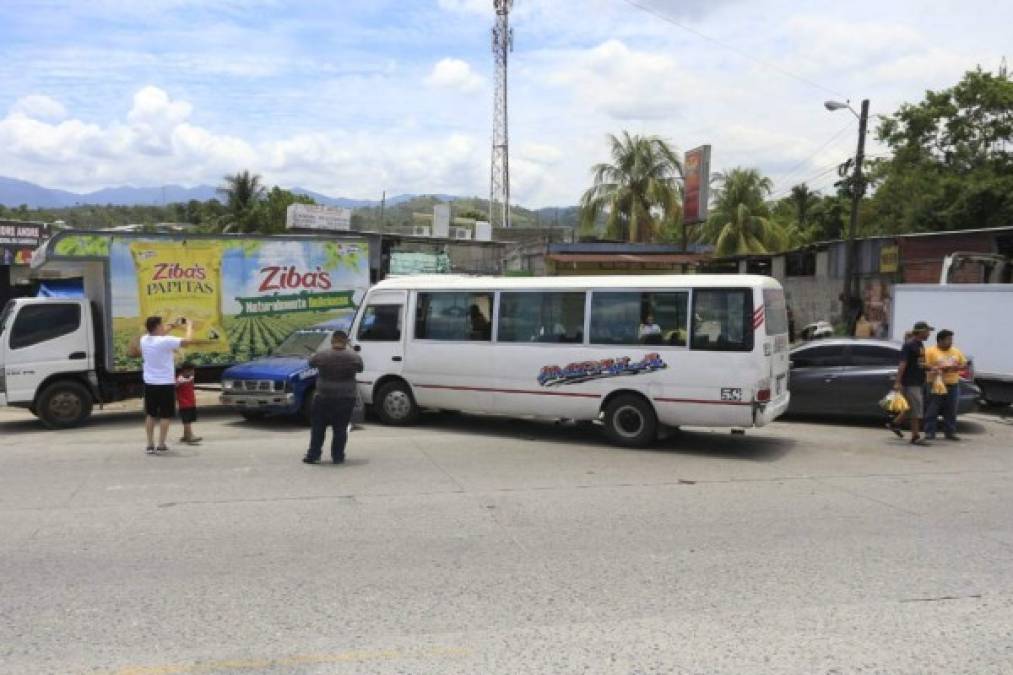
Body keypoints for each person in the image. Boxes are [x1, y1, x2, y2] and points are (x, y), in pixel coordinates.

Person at [127, 316, 204, 455]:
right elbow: (187, 341)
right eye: (161, 325)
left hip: (150, 383)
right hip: (165, 384)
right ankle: (161, 444)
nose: (163, 327)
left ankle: (150, 445)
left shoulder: (145, 339)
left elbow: (159, 333)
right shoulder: (166, 341)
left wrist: (172, 325)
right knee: (165, 415)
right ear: (157, 327)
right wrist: (189, 326)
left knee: (150, 415)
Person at [303, 330, 363, 465]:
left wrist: (314, 355)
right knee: (340, 428)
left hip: (324, 396)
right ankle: (338, 456)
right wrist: (352, 350)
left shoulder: (322, 355)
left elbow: (310, 363)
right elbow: (360, 368)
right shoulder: (354, 356)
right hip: (346, 397)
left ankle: (313, 455)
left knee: (318, 427)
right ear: (346, 341)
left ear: (332, 340)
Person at [888, 320, 934, 446]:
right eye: (927, 331)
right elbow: (903, 364)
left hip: (918, 381)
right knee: (916, 410)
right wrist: (897, 382)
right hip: (910, 382)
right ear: (921, 332)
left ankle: (894, 424)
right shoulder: (909, 345)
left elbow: (918, 363)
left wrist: (929, 367)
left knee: (910, 408)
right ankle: (915, 436)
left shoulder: (920, 345)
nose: (929, 334)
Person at [923, 329, 967, 441]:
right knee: (932, 409)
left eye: (951, 339)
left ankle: (950, 432)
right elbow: (924, 366)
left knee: (951, 410)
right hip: (935, 384)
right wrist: (937, 369)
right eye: (948, 339)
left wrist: (956, 368)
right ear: (940, 340)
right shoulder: (930, 351)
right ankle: (929, 432)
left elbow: (963, 365)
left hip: (952, 385)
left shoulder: (956, 351)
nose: (951, 342)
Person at [176, 361, 201, 445]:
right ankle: (190, 436)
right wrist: (179, 383)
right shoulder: (180, 378)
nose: (193, 372)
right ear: (185, 371)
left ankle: (185, 435)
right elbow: (176, 385)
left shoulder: (190, 377)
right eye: (192, 370)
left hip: (190, 402)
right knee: (187, 421)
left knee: (188, 420)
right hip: (184, 404)